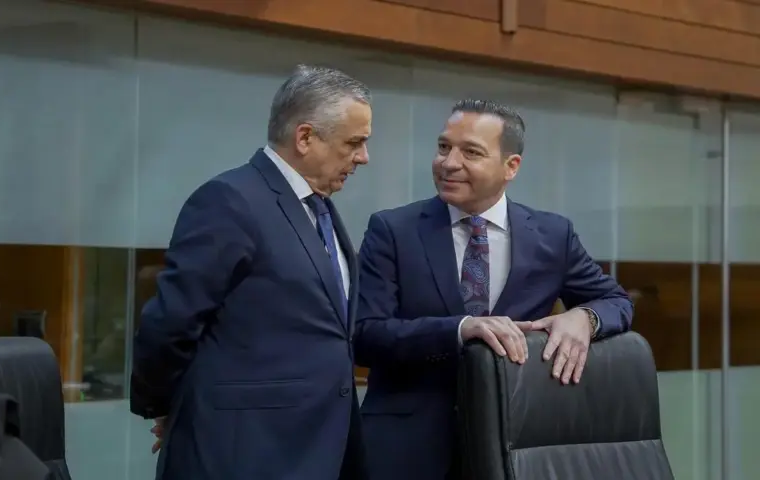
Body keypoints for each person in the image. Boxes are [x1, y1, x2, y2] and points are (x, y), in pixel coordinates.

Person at [354, 99, 634, 480]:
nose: (449, 163)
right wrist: (458, 328)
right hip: (407, 448)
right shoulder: (393, 230)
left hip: (516, 446)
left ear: (510, 167)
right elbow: (365, 334)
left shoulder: (553, 236)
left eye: (470, 152)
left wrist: (584, 318)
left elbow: (616, 301)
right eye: (443, 147)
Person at [131, 65, 372, 480]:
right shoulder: (230, 201)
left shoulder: (322, 210)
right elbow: (171, 322)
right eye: (354, 143)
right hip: (245, 453)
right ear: (305, 137)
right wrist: (171, 404)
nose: (363, 157)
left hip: (316, 449)